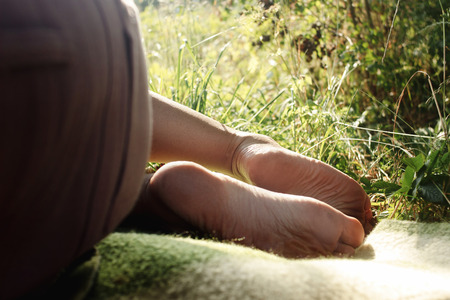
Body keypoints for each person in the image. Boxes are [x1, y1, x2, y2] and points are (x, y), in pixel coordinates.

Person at [0, 0, 373, 298]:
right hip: (96, 40)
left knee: (45, 194)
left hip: (23, 137)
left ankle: (144, 197)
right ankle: (237, 149)